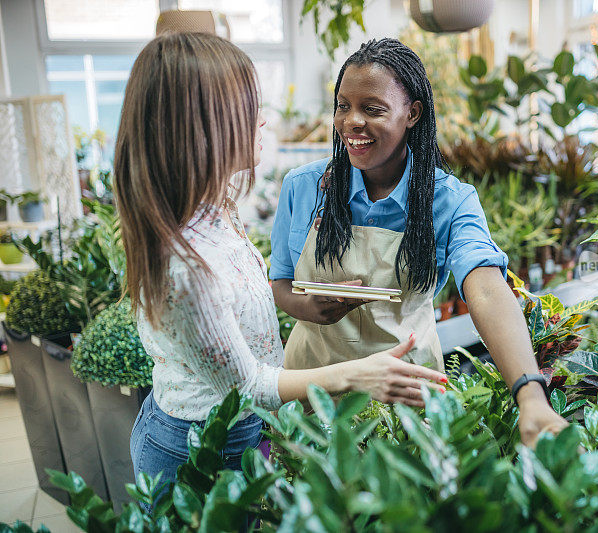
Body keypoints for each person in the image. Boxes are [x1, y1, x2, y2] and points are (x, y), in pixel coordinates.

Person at [116, 32, 447, 486]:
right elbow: (247, 386)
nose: (264, 121)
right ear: (203, 128)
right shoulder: (187, 268)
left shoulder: (213, 206)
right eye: (249, 110)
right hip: (199, 447)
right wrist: (361, 374)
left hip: (246, 429)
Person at [270, 38, 568, 448]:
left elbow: (485, 287)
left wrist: (530, 395)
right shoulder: (303, 188)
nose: (351, 121)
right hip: (312, 393)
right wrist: (307, 308)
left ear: (413, 113)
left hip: (403, 398)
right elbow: (281, 283)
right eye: (343, 106)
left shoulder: (447, 200)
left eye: (372, 109)